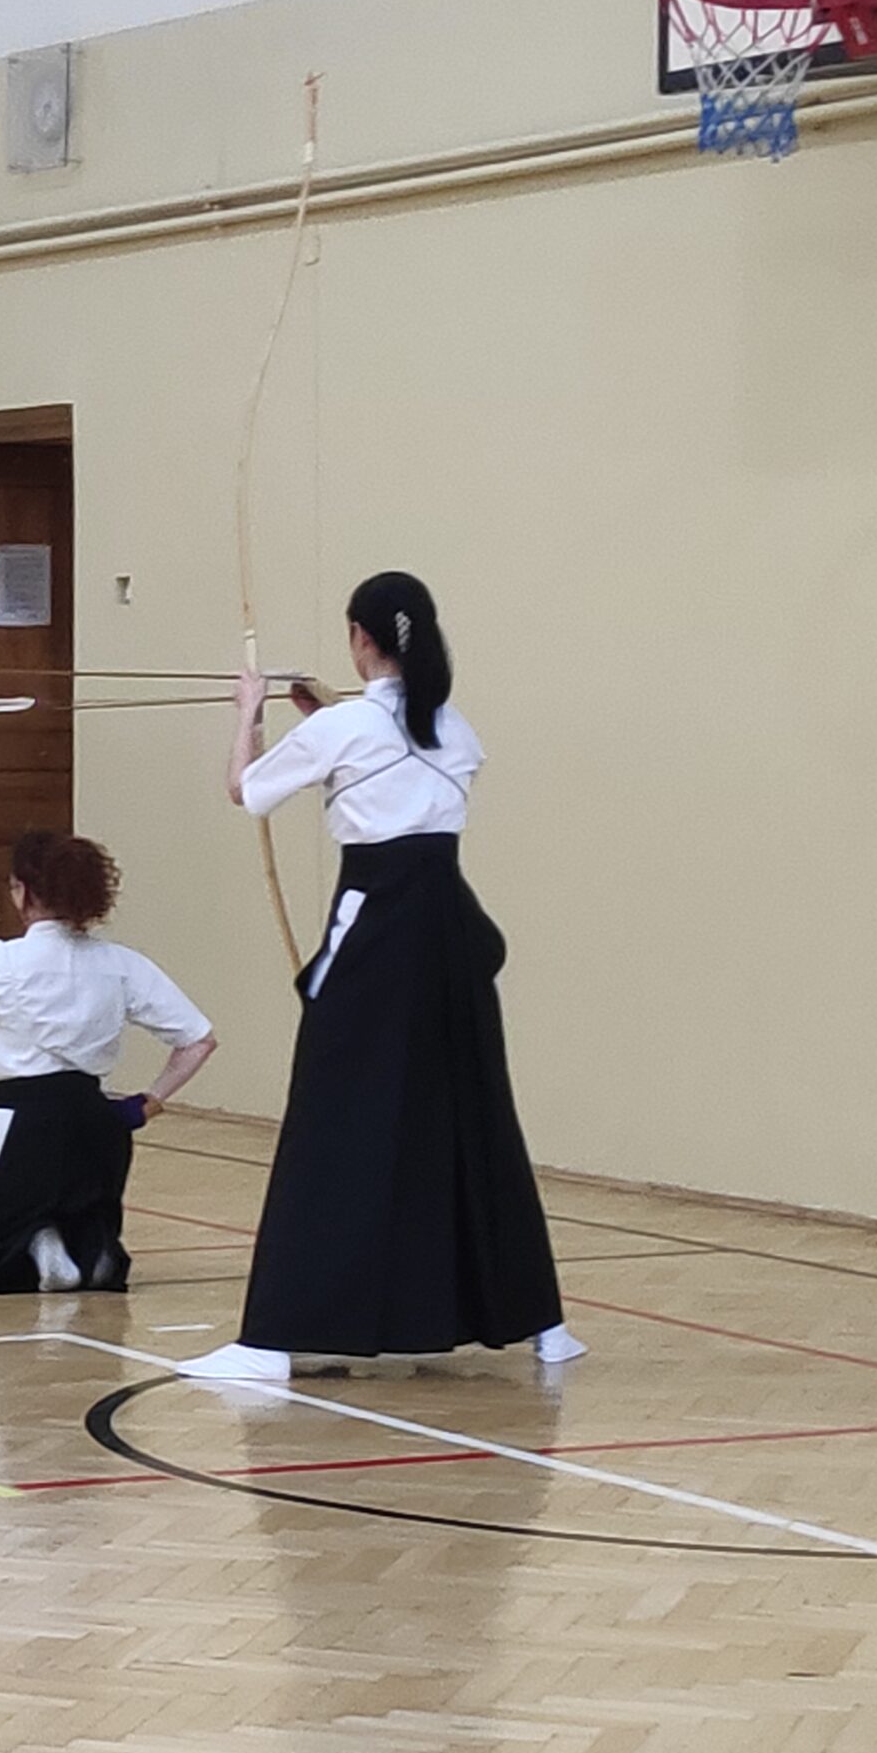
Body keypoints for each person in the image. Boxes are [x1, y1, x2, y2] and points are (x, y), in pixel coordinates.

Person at [180, 571, 584, 1379]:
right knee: (473, 1115)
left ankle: (270, 1341)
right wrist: (325, 719)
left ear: (360, 638)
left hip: (377, 932)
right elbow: (397, 761)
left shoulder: (346, 727)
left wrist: (249, 713)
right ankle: (543, 1326)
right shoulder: (452, 727)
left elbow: (245, 792)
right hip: (451, 934)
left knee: (332, 1119)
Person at [0, 832, 218, 1294]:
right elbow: (199, 1040)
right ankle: (89, 1249)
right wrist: (148, 1102)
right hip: (99, 1128)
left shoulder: (0, 961)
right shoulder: (122, 964)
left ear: (23, 891)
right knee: (77, 1201)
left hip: (19, 1124)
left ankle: (36, 1249)